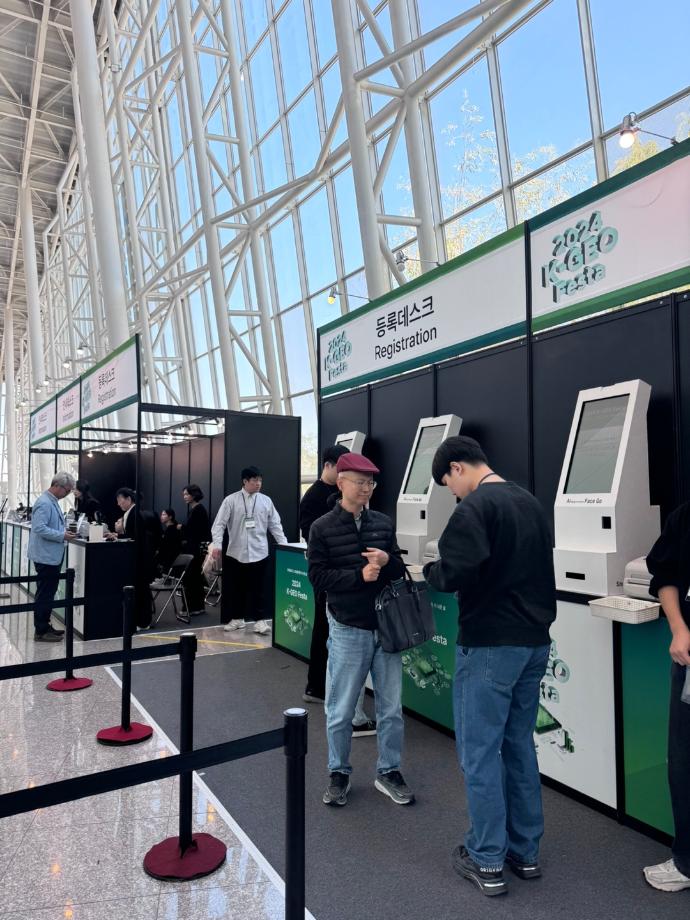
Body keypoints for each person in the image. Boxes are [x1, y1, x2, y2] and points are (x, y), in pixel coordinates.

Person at [423, 435, 556, 898]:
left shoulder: (475, 508)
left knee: (479, 753)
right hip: (534, 643)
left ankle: (487, 858)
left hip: (489, 645)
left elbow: (454, 572)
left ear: (457, 468)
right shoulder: (529, 502)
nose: (452, 492)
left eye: (448, 483)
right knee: (519, 746)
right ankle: (525, 852)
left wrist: (430, 571)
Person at [308, 452, 413, 808]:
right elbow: (317, 577)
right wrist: (358, 576)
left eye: (370, 483)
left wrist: (387, 561)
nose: (366, 488)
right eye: (359, 482)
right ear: (341, 484)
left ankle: (389, 770)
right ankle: (338, 772)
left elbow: (398, 569)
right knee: (340, 710)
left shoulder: (382, 523)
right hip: (347, 628)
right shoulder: (322, 528)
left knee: (391, 709)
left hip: (387, 628)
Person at [300, 444, 376, 738]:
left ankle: (324, 694)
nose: (363, 488)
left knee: (330, 637)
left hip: (344, 581)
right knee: (330, 635)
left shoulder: (363, 512)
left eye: (367, 482)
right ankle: (332, 701)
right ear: (330, 467)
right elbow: (313, 539)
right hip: (335, 582)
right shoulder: (314, 498)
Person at [642, 504, 690, 892]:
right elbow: (664, 574)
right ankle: (687, 861)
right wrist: (678, 628)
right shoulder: (686, 516)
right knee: (685, 759)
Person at [211, 466, 287, 636]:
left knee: (259, 589)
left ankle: (260, 621)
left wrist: (284, 544)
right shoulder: (231, 500)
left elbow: (275, 524)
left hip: (260, 552)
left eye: (260, 480)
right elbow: (219, 524)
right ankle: (237, 619)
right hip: (236, 553)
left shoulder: (266, 501)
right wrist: (217, 545)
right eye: (254, 480)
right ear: (245, 481)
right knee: (236, 588)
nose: (258, 483)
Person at [27, 471, 77, 642]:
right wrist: (62, 535)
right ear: (57, 485)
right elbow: (39, 528)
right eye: (67, 490)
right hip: (45, 557)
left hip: (50, 555)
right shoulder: (44, 502)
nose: (67, 494)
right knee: (45, 594)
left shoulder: (51, 501)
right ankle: (41, 630)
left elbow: (49, 526)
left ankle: (45, 625)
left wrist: (63, 531)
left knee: (48, 593)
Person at [106, 487, 157, 630]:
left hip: (140, 559)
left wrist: (119, 535)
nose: (118, 504)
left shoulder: (135, 514)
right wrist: (118, 535)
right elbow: (132, 535)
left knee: (141, 590)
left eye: (120, 500)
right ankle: (140, 620)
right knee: (139, 590)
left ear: (128, 499)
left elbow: (136, 538)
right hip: (137, 558)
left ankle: (143, 622)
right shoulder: (131, 513)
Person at [179, 484, 212, 621]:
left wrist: (182, 528)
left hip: (195, 549)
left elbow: (195, 531)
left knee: (191, 578)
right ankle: (196, 607)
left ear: (194, 494)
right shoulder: (195, 509)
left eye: (187, 494)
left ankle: (192, 607)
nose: (185, 497)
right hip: (195, 548)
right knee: (194, 578)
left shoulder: (198, 510)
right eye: (184, 494)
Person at [156, 508, 182, 573]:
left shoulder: (171, 530)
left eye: (164, 514)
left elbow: (166, 548)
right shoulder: (171, 528)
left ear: (170, 517)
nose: (161, 516)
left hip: (169, 562)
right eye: (161, 514)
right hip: (169, 560)